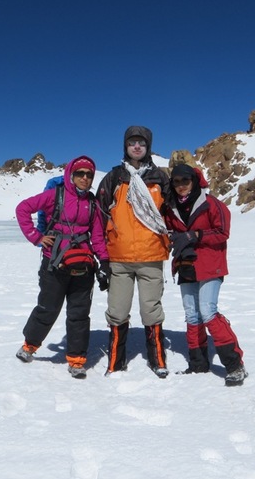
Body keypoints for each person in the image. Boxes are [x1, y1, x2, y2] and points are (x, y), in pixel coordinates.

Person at [15, 156, 110, 379]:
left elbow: (96, 236)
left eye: (89, 174)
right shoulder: (54, 195)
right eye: (80, 174)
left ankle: (77, 360)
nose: (85, 178)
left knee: (79, 314)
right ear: (71, 175)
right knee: (47, 308)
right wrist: (36, 237)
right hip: (54, 263)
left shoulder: (93, 204)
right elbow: (22, 209)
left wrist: (104, 261)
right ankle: (30, 345)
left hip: (83, 265)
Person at [162, 163, 247, 386]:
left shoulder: (211, 204)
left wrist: (194, 235)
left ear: (195, 181)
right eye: (177, 182)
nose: (181, 186)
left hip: (210, 265)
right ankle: (198, 364)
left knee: (208, 311)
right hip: (185, 265)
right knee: (192, 315)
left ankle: (235, 364)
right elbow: (167, 229)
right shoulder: (171, 207)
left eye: (185, 181)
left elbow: (222, 232)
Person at [97, 126, 171, 378]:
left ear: (148, 147)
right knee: (117, 311)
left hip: (151, 254)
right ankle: (116, 361)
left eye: (141, 143)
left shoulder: (160, 178)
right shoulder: (115, 177)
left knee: (151, 310)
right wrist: (102, 256)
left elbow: (172, 213)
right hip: (119, 257)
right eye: (132, 143)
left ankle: (158, 359)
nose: (136, 147)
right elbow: (99, 214)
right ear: (125, 147)